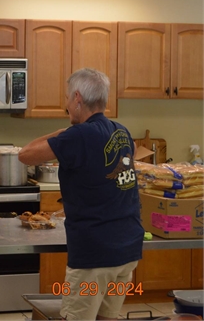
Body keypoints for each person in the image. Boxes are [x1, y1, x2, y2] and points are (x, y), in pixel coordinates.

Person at [18, 68, 143, 321]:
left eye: (67, 98)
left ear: (77, 98)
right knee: (107, 317)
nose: (66, 105)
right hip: (127, 251)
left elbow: (25, 154)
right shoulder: (122, 131)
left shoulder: (79, 135)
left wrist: (63, 132)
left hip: (94, 257)